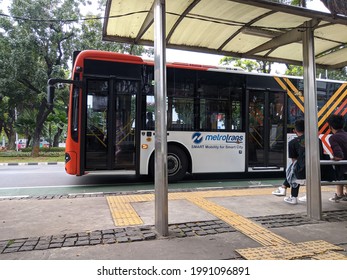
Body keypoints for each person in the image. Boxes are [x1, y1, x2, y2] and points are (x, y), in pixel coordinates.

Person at [272, 119, 305, 204]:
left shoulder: (292, 143)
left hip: (302, 173)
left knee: (294, 167)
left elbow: (294, 162)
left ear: (295, 131)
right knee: (298, 167)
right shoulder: (317, 140)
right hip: (319, 171)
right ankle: (283, 187)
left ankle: (291, 195)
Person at [327, 114, 347, 202]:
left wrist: (332, 158)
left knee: (338, 170)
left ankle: (340, 195)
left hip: (343, 167)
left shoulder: (333, 138)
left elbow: (339, 155)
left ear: (330, 127)